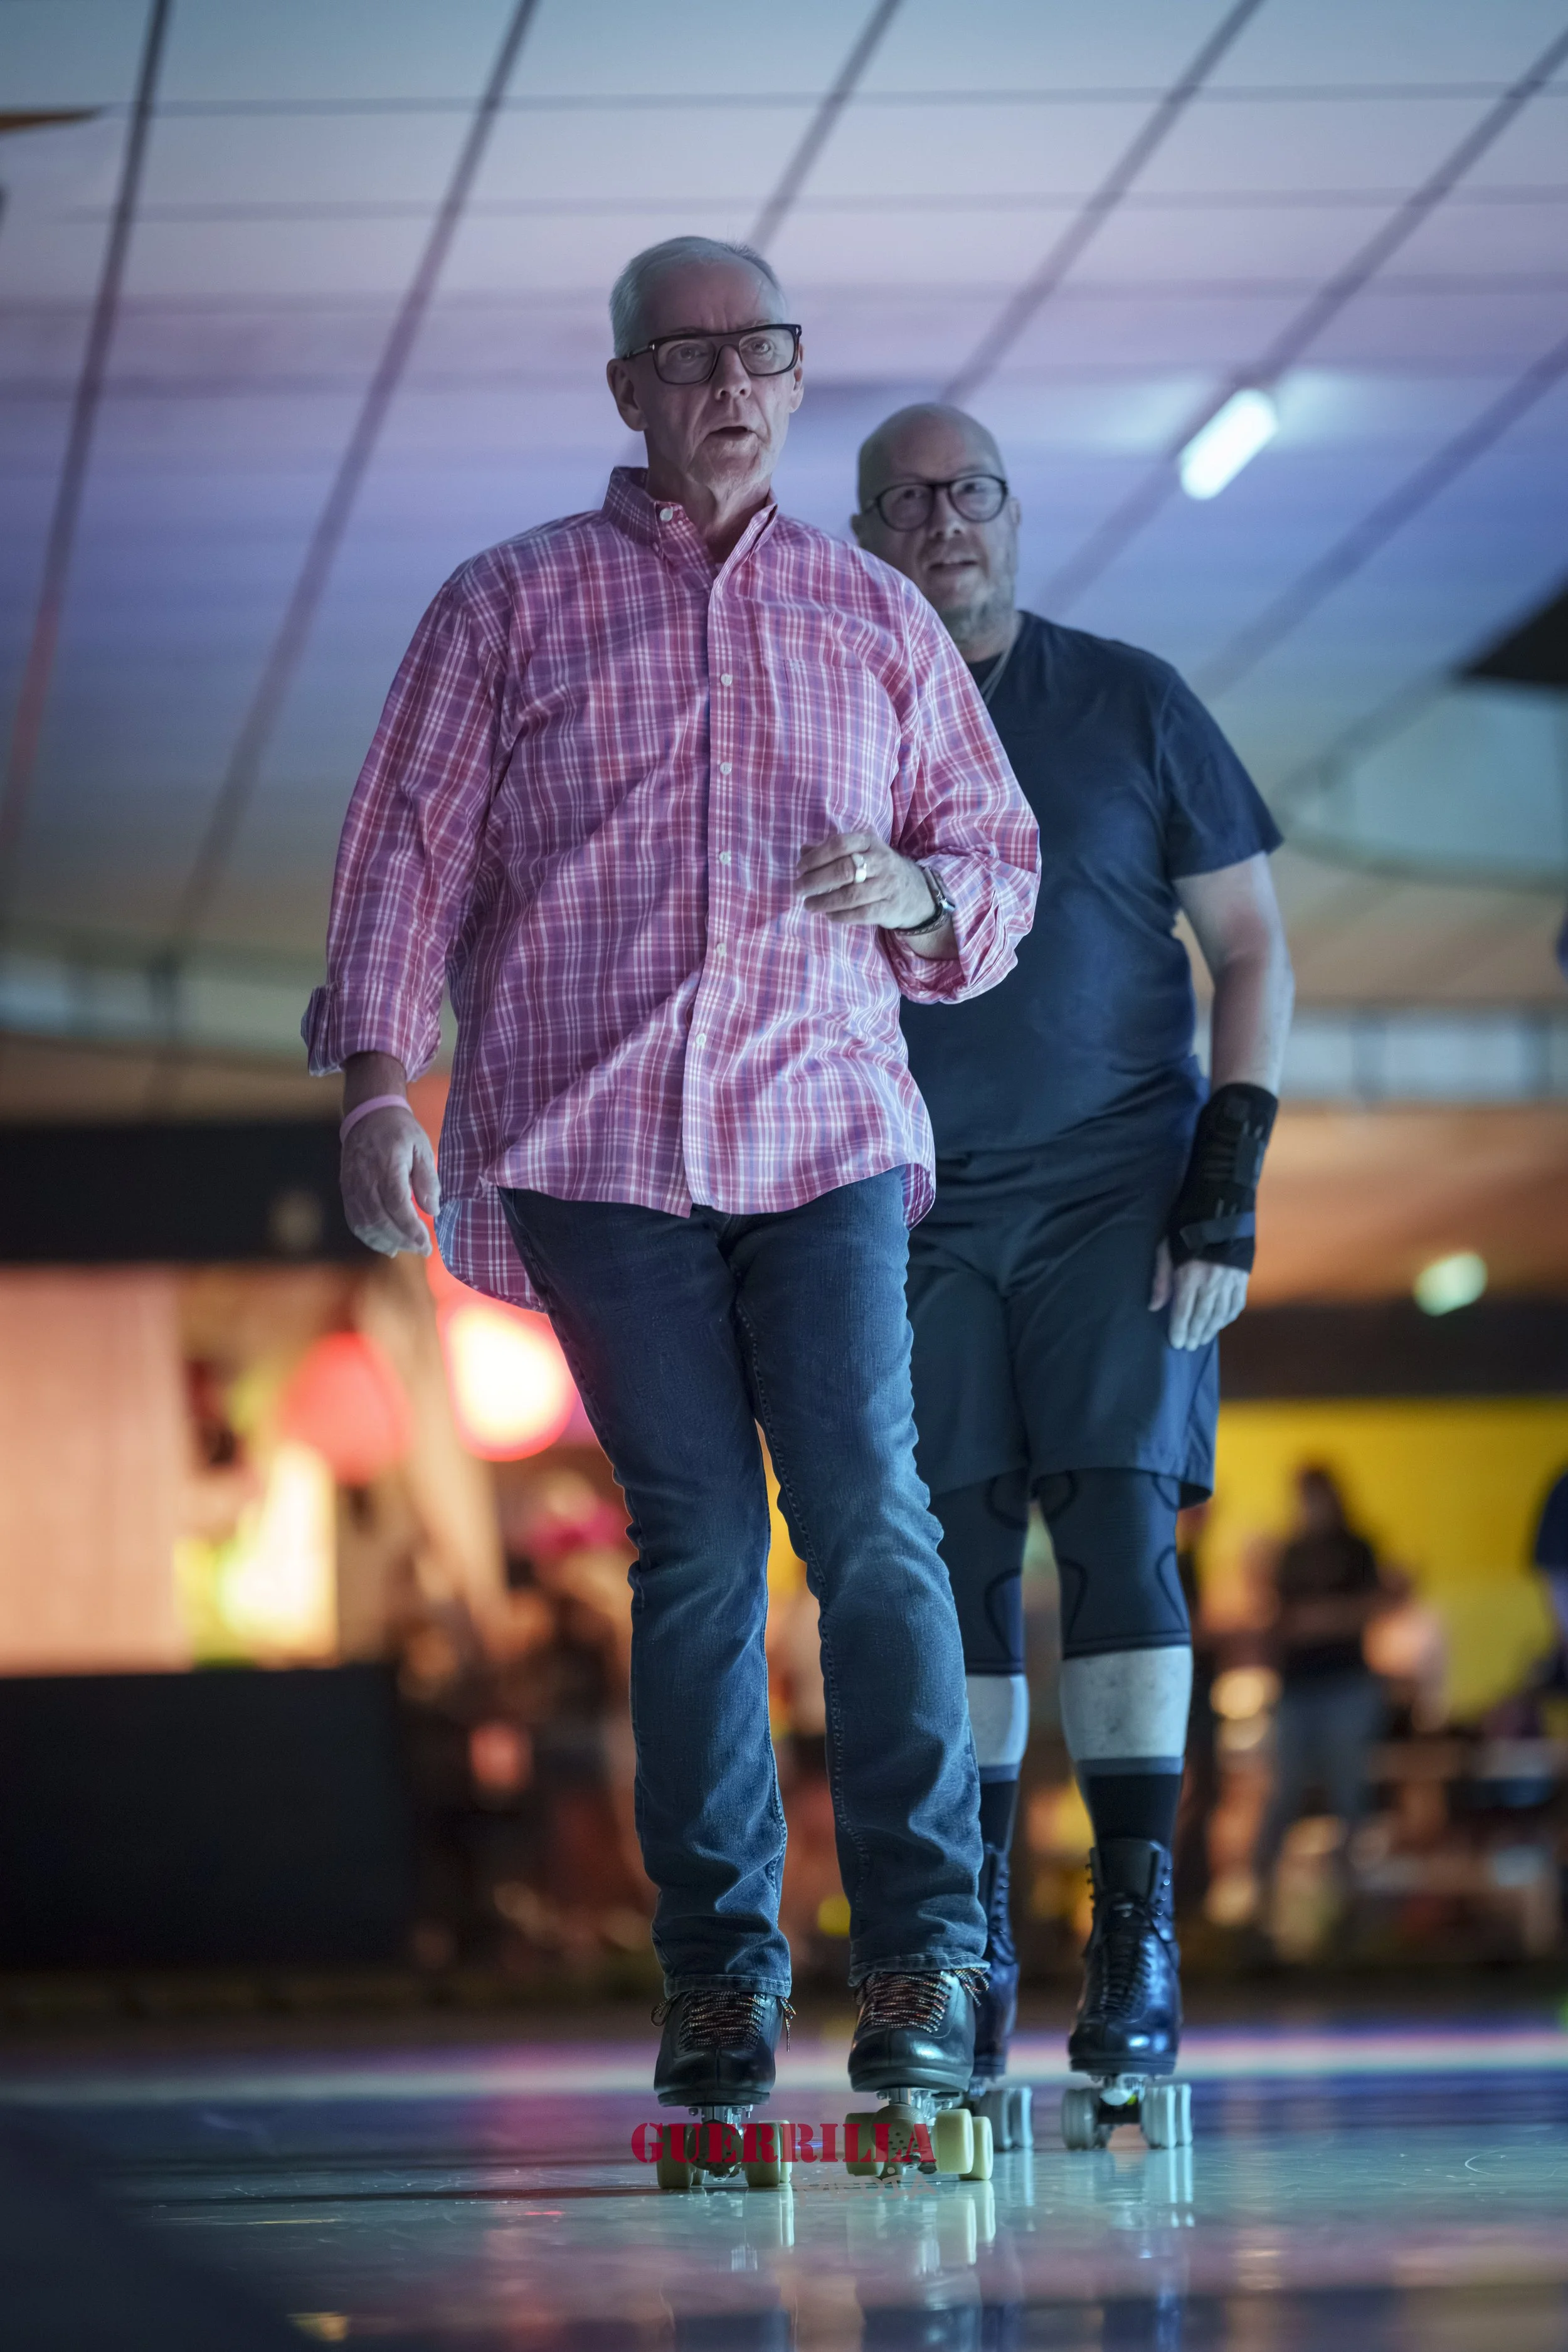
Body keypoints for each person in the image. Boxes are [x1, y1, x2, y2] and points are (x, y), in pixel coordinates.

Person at [304, 242, 1040, 2117]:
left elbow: (990, 847)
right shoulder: (507, 605)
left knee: (872, 1515)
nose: (729, 383)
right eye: (689, 354)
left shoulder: (868, 613)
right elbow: (401, 846)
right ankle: (719, 1973)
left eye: (762, 354)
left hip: (822, 1136)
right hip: (596, 1143)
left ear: (793, 388)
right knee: (699, 1541)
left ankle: (922, 1959)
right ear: (626, 388)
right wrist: (379, 1080)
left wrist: (920, 893)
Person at [851, 405, 1293, 2111]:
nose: (941, 518)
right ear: (866, 529)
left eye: (967, 491)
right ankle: (963, 1954)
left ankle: (1133, 1940)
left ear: (1013, 517)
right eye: (904, 498)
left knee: (1112, 1523)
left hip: (1120, 1186)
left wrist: (1226, 1175)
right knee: (946, 1565)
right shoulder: (842, 715)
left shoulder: (1126, 701)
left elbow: (1247, 940)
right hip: (914, 1201)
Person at [1252, 1466, 1395, 1894]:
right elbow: (1276, 1620)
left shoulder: (1357, 1548)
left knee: (1349, 1793)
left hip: (1346, 1685)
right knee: (1285, 1793)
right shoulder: (1290, 1551)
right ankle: (1262, 1896)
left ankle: (1352, 1896)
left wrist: (1319, 1620)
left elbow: (1372, 1607)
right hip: (1298, 1689)